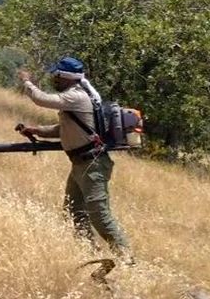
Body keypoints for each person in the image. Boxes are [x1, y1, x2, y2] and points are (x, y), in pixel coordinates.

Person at [16, 57, 131, 258]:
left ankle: (127, 260)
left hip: (92, 165)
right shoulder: (77, 96)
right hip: (81, 164)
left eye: (57, 75)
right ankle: (91, 255)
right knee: (74, 211)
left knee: (100, 216)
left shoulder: (76, 96)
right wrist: (38, 130)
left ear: (66, 77)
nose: (54, 79)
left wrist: (27, 82)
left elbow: (41, 99)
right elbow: (66, 129)